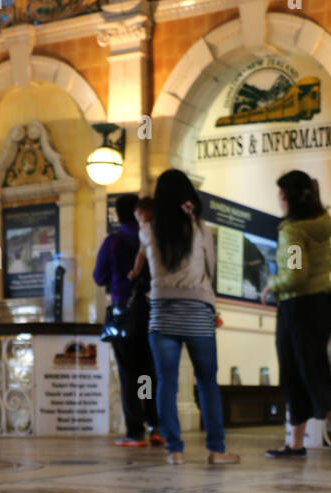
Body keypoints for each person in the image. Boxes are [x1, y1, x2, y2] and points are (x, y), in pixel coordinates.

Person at [139, 169, 238, 465]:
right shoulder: (200, 228)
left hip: (162, 313)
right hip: (197, 311)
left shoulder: (148, 229)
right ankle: (216, 449)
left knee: (166, 383)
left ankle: (175, 450)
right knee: (206, 381)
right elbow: (210, 266)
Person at [260, 171, 331, 458]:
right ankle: (297, 443)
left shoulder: (293, 230)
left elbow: (297, 274)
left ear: (286, 196)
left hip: (297, 308)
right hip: (320, 306)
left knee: (295, 372)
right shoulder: (322, 225)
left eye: (280, 193)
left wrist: (270, 286)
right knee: (311, 367)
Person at [93, 193, 162, 448]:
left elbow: (98, 277)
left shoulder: (114, 241)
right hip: (151, 311)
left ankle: (135, 431)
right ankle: (155, 425)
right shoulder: (153, 237)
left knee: (129, 373)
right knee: (148, 372)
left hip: (125, 313)